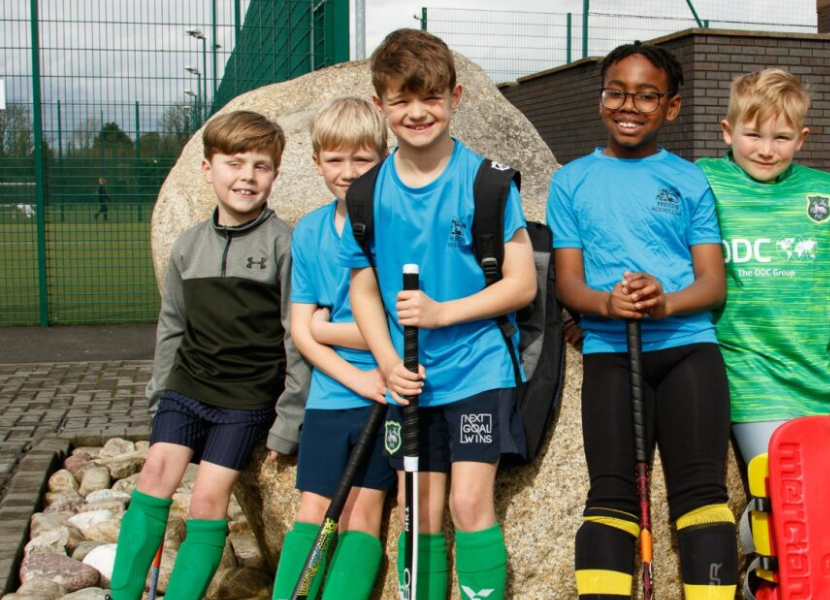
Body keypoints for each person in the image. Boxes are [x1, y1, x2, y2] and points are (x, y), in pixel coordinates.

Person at [338, 28, 536, 600]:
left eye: (430, 98)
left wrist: (442, 312)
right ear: (380, 106)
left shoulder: (487, 183)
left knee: (469, 502)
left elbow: (521, 284)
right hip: (410, 377)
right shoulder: (367, 192)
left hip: (478, 371)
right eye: (401, 101)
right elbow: (364, 290)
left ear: (456, 96)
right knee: (417, 508)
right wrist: (384, 361)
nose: (417, 113)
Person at [547, 42, 739, 600]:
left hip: (687, 350)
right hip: (611, 349)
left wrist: (665, 301)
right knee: (610, 495)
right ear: (602, 97)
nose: (628, 106)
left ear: (672, 107)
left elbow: (711, 282)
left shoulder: (690, 180)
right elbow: (568, 283)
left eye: (647, 96)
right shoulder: (572, 180)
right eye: (616, 92)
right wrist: (606, 305)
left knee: (702, 494)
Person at [109, 110, 309, 600]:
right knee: (155, 475)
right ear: (207, 169)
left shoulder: (284, 244)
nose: (246, 176)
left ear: (276, 174)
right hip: (188, 386)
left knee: (207, 499)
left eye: (261, 165)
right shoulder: (188, 246)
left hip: (246, 398)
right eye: (234, 162)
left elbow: (295, 336)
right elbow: (172, 326)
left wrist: (289, 418)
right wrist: (160, 392)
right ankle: (123, 592)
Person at [695, 68, 830, 466]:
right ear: (727, 131)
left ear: (802, 138)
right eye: (753, 135)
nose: (766, 150)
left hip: (822, 374)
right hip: (749, 375)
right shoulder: (702, 182)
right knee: (783, 493)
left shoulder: (825, 192)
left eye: (781, 138)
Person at [270, 97, 391, 600]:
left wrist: (326, 329)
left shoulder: (394, 224)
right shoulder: (311, 230)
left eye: (361, 160)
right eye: (335, 160)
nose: (347, 172)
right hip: (330, 395)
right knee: (312, 512)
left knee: (364, 512)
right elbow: (299, 329)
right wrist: (351, 369)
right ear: (316, 162)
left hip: (388, 391)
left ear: (383, 158)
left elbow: (388, 332)